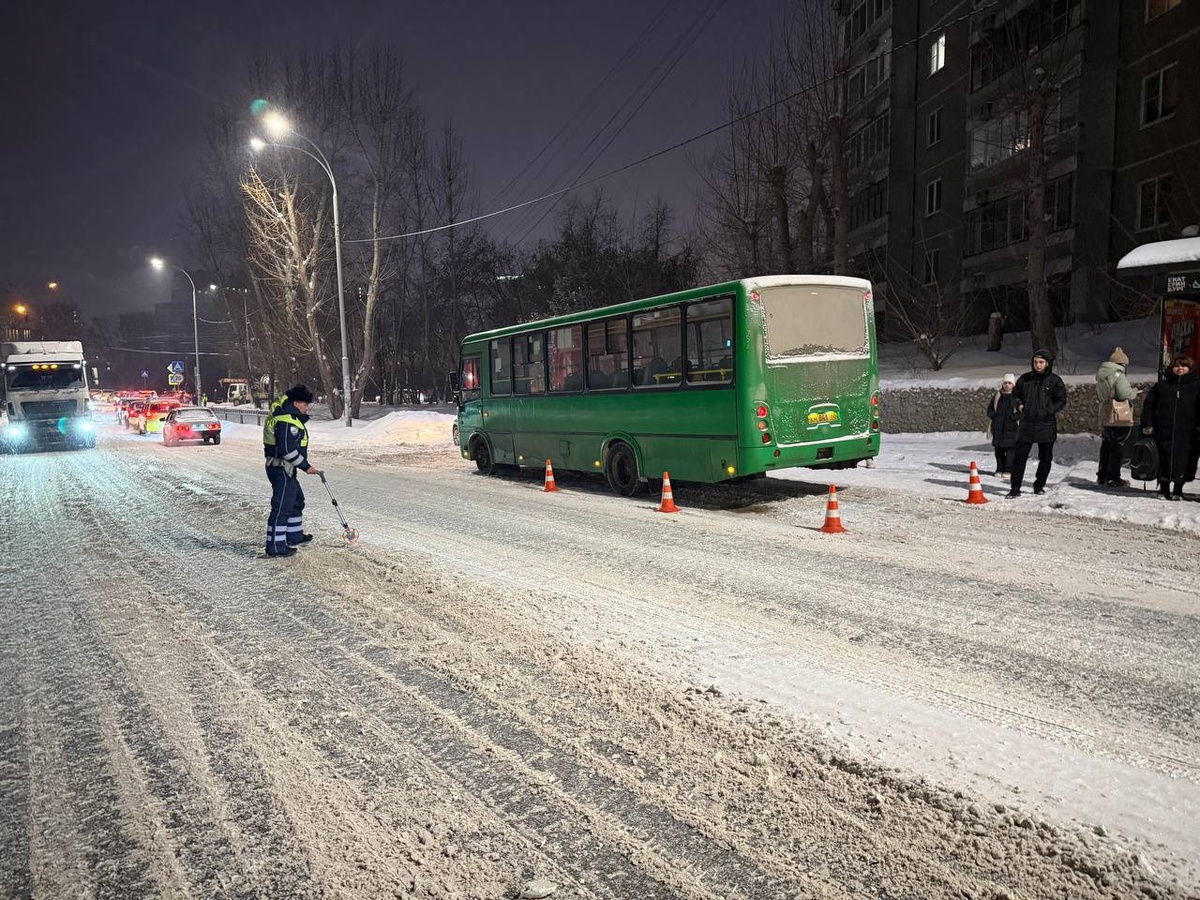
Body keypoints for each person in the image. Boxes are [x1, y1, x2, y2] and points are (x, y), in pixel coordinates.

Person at [263, 384, 320, 557]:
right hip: (280, 468)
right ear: (296, 403)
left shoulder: (289, 417)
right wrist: (306, 466)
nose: (307, 407)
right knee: (282, 507)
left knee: (296, 500)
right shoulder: (287, 420)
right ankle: (275, 546)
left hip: (286, 469)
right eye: (305, 404)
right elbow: (286, 450)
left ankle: (294, 536)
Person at [1006, 350, 1067, 499]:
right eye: (1035, 362)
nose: (1038, 365)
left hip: (1046, 424)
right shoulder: (1025, 379)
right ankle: (1015, 488)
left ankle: (1039, 485)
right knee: (1019, 458)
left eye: (1041, 362)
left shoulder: (1055, 380)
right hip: (1027, 424)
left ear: (1047, 363)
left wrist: (1049, 410)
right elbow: (1015, 395)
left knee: (1045, 458)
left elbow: (1061, 400)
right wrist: (1019, 405)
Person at [1140, 355, 1199, 500]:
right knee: (1162, 459)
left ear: (1190, 369)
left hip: (1188, 432)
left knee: (1184, 461)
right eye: (1177, 366)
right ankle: (1163, 490)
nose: (1180, 369)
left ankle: (1178, 490)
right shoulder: (1162, 386)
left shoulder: (1196, 386)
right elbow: (1149, 405)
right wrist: (1148, 424)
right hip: (1163, 430)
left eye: (1184, 366)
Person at [1094, 347, 1140, 488]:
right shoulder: (1119, 376)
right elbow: (1124, 394)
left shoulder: (1102, 376)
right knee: (1117, 446)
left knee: (1106, 445)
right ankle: (1113, 477)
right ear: (1122, 364)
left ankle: (1102, 475)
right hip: (1119, 416)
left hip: (1107, 414)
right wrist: (1134, 393)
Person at [986, 373, 1021, 478]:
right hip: (998, 428)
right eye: (1005, 382)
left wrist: (1013, 417)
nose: (1007, 385)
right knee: (998, 451)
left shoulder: (1017, 397)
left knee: (1010, 451)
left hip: (1012, 429)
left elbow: (1023, 411)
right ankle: (999, 468)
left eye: (1009, 383)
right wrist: (994, 416)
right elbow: (990, 409)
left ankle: (1008, 470)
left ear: (1013, 385)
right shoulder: (997, 396)